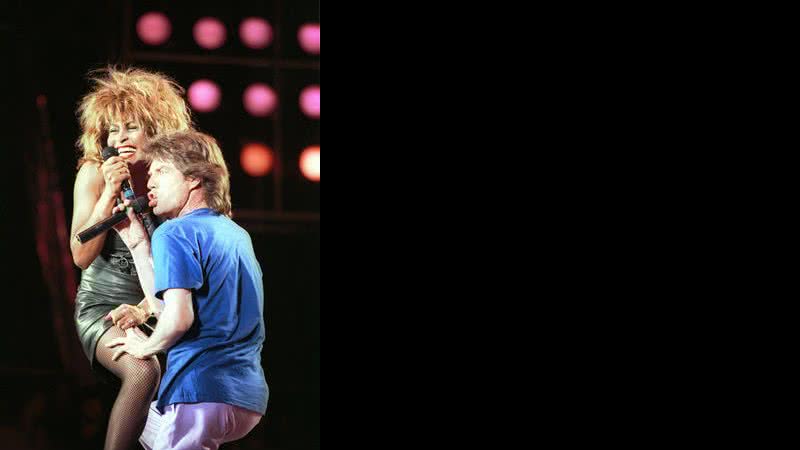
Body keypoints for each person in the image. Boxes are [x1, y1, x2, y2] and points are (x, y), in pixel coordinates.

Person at [107, 130, 268, 450]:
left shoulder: (174, 232)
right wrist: (139, 245)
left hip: (200, 390)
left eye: (162, 172)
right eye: (149, 174)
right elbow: (166, 308)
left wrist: (146, 347)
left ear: (194, 178)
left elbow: (178, 318)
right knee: (142, 422)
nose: (149, 182)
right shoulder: (236, 234)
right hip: (246, 399)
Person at [70, 66, 192, 449]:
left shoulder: (170, 177)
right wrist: (109, 192)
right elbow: (80, 255)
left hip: (160, 302)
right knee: (142, 371)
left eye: (132, 127)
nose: (120, 138)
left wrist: (148, 307)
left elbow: (185, 260)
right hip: (103, 307)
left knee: (178, 404)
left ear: (156, 128)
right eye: (113, 130)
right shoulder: (93, 173)